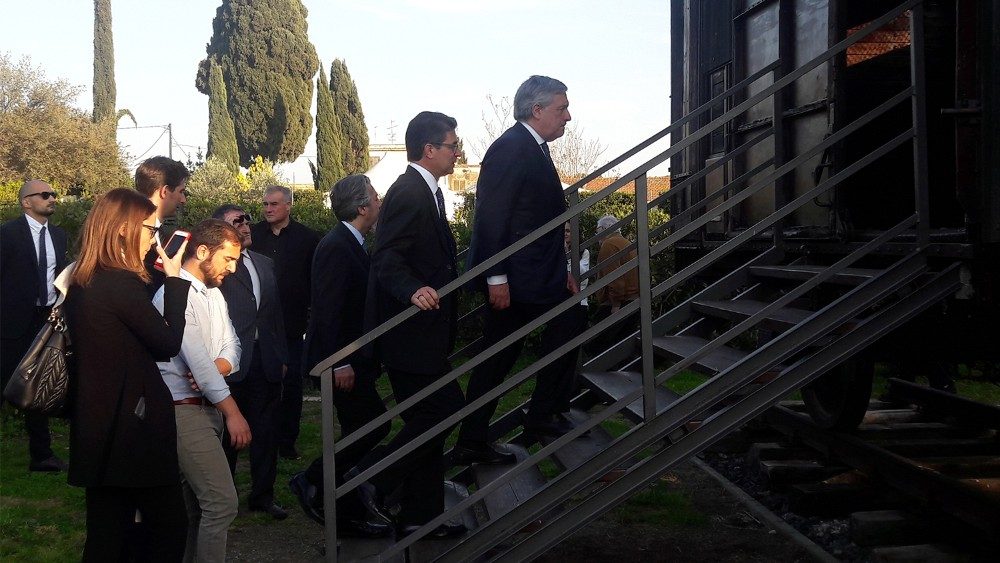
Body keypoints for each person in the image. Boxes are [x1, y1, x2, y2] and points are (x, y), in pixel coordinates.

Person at [354, 111, 467, 539]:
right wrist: (413, 289)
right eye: (453, 145)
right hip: (409, 337)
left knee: (430, 422)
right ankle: (373, 480)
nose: (458, 152)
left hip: (423, 337)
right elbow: (386, 258)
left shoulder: (426, 191)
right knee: (444, 411)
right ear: (429, 149)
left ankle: (420, 517)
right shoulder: (409, 191)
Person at [62, 188, 191, 561]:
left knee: (107, 531)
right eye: (150, 230)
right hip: (133, 425)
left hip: (99, 421)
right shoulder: (117, 283)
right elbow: (166, 342)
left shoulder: (85, 278)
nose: (154, 239)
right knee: (168, 526)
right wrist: (176, 282)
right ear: (123, 229)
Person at [458, 75, 580, 465]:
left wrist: (561, 270)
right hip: (517, 279)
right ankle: (539, 416)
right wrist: (496, 278)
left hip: (535, 275)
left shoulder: (532, 148)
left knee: (501, 358)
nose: (568, 117)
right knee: (561, 325)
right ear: (537, 110)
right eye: (561, 109)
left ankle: (477, 437)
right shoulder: (512, 148)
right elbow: (492, 218)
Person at [289, 174, 392, 538]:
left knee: (361, 428)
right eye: (375, 197)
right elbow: (328, 310)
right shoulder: (337, 245)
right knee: (373, 424)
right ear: (363, 207)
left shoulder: (351, 241)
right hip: (340, 362)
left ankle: (346, 507)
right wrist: (340, 362)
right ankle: (313, 481)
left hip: (350, 359)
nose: (379, 202)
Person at [153, 219, 250, 563]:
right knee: (221, 504)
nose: (233, 268)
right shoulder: (172, 293)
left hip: (206, 407)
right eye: (228, 259)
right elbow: (192, 355)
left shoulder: (214, 293)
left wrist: (218, 367)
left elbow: (233, 346)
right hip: (183, 409)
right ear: (203, 251)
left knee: (198, 510)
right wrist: (234, 412)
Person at [214, 205, 289, 521]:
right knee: (227, 436)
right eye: (237, 221)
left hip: (266, 358)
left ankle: (263, 496)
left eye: (247, 220)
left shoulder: (264, 263)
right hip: (231, 363)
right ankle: (223, 499)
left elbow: (274, 315)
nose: (246, 225)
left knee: (266, 431)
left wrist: (283, 355)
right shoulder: (217, 269)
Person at [0, 180, 68, 472]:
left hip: (47, 320)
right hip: (11, 322)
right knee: (3, 382)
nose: (52, 198)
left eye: (53, 194)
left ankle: (41, 455)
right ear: (26, 202)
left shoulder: (59, 235)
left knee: (39, 384)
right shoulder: (7, 234)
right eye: (45, 194)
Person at [250, 185, 320, 460]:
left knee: (291, 387)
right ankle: (257, 438)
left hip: (292, 326)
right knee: (260, 385)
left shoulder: (307, 239)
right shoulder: (252, 236)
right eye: (265, 204)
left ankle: (287, 441)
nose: (268, 209)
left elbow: (314, 280)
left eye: (274, 204)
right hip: (260, 327)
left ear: (288, 205)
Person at [134, 156, 191, 293]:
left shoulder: (163, 233)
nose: (183, 200)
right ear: (164, 191)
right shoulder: (134, 234)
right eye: (181, 192)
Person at [592, 214, 640, 353]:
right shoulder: (625, 242)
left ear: (603, 229)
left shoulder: (609, 244)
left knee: (599, 343)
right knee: (623, 345)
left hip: (617, 302)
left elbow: (614, 278)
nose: (597, 235)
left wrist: (616, 304)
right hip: (632, 299)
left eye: (597, 231)